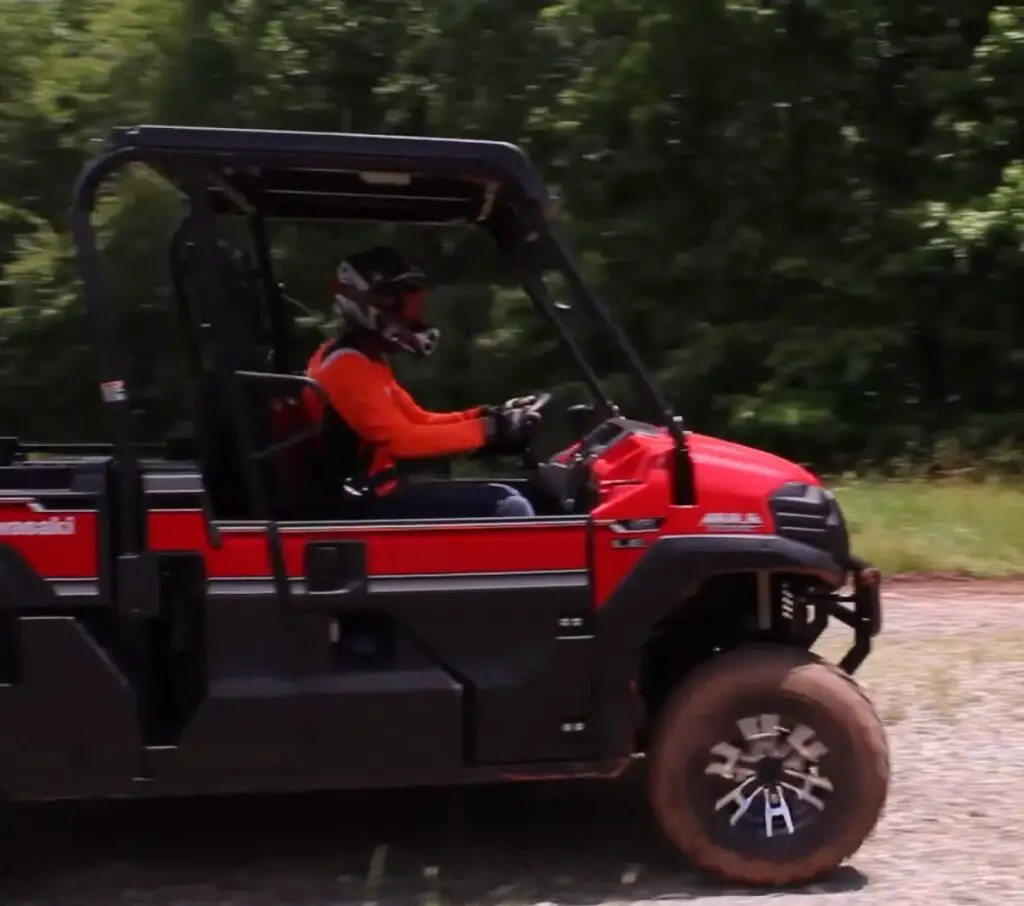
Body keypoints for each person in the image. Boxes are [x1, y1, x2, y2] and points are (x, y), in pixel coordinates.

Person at [303, 246, 539, 519]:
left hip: (374, 493)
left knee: (517, 495)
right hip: (365, 502)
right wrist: (488, 429)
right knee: (509, 507)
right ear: (374, 303)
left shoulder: (366, 359)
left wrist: (489, 416)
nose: (411, 315)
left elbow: (418, 420)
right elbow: (402, 441)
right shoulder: (346, 365)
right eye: (402, 302)